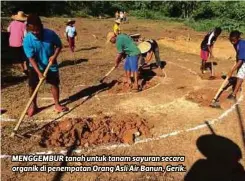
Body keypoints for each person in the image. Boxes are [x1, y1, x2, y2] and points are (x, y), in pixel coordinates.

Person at [23, 14, 68, 117]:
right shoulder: (27, 40)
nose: (35, 33)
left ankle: (57, 104)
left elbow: (59, 46)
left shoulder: (50, 34)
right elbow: (31, 58)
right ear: (29, 29)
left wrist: (54, 56)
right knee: (32, 86)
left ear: (41, 26)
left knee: (54, 84)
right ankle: (33, 106)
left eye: (37, 30)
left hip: (50, 64)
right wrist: (39, 73)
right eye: (32, 31)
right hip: (35, 66)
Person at [7, 11, 28, 75]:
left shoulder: (12, 23)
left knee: (18, 58)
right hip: (21, 44)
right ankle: (26, 69)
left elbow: (8, 30)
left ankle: (23, 70)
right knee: (24, 57)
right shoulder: (24, 25)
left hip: (12, 43)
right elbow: (25, 35)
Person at [227, 30, 245, 100]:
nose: (232, 42)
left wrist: (232, 71)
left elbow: (241, 61)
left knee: (240, 74)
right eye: (231, 40)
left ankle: (234, 94)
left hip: (243, 60)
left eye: (234, 40)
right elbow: (238, 53)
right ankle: (238, 85)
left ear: (238, 39)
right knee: (239, 70)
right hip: (242, 58)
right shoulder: (235, 43)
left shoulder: (242, 45)